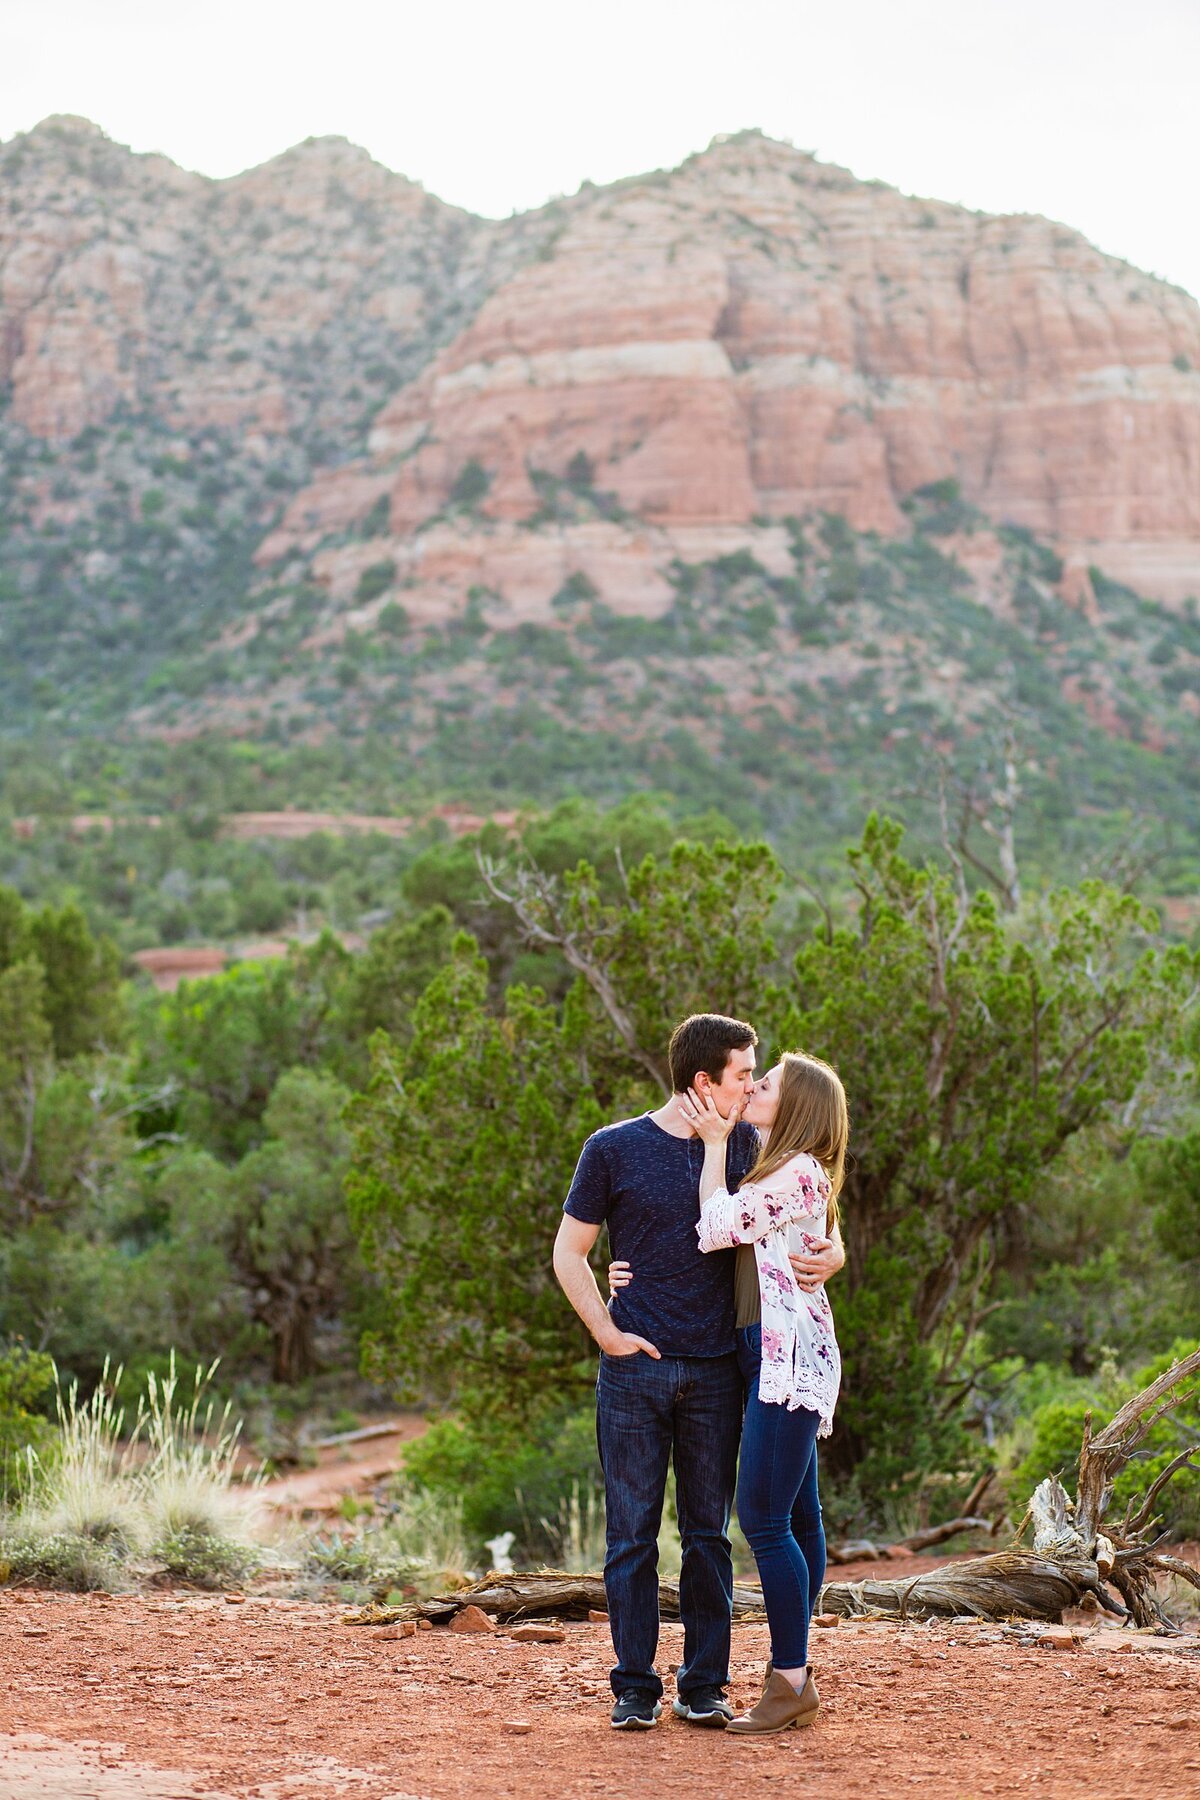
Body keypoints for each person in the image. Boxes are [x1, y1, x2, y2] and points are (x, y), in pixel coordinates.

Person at [553, 1015, 843, 1732]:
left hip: (721, 1370)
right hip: (635, 1372)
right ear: (702, 1082)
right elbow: (569, 1252)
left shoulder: (750, 1143)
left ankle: (704, 1686)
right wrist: (606, 1330)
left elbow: (813, 1205)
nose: (752, 1086)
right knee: (631, 1537)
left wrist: (836, 1251)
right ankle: (634, 1689)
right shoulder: (613, 1148)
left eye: (756, 1076)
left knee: (710, 1537)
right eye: (744, 1075)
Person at [681, 1051, 848, 1735]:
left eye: (767, 1082)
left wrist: (716, 1147)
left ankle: (789, 1680)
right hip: (774, 1356)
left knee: (764, 1520)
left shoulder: (798, 1170)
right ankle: (795, 1666)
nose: (755, 1086)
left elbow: (715, 1230)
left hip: (785, 1362)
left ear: (797, 1104)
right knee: (798, 1517)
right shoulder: (792, 1170)